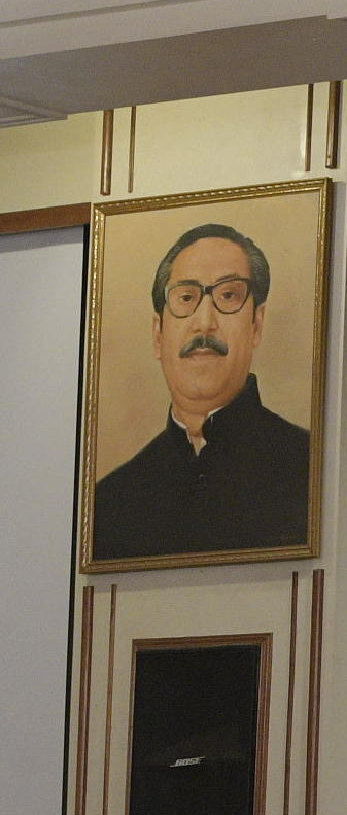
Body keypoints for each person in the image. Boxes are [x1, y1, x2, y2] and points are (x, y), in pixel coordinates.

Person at [93, 222, 312, 564]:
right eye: (186, 298)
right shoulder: (110, 501)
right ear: (158, 334)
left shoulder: (309, 471)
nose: (205, 322)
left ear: (256, 326)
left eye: (228, 296)